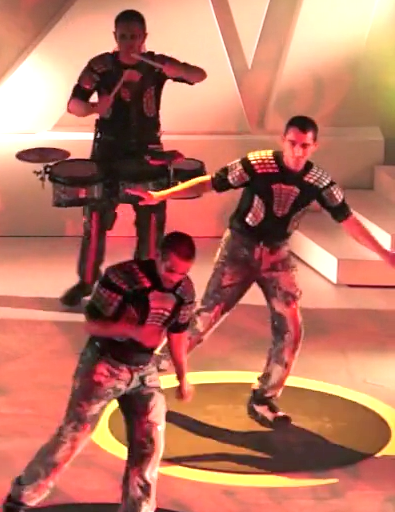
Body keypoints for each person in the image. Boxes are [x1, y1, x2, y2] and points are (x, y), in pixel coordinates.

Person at [127, 115, 395, 427]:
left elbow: (347, 220)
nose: (297, 151)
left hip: (277, 256)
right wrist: (161, 195)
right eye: (292, 143)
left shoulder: (319, 182)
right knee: (204, 319)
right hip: (239, 250)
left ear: (314, 146)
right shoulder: (258, 164)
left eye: (304, 146)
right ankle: (145, 377)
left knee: (291, 328)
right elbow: (210, 183)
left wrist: (384, 254)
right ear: (283, 140)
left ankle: (264, 398)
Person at [1, 231, 198, 512]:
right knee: (72, 437)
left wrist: (182, 375)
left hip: (144, 370)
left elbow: (178, 333)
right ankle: (20, 499)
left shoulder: (184, 290)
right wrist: (133, 330)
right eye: (171, 269)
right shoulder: (121, 278)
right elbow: (92, 325)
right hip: (104, 366)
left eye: (182, 272)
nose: (175, 278)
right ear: (158, 257)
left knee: (150, 444)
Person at [59, 9, 207, 308]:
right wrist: (93, 109)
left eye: (135, 37)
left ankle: (145, 285)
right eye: (124, 36)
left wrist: (178, 69)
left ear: (144, 37)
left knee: (151, 224)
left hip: (147, 152)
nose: (129, 42)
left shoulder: (156, 65)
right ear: (115, 36)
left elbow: (199, 75)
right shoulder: (100, 66)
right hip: (107, 152)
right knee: (95, 220)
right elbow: (74, 105)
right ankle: (86, 281)